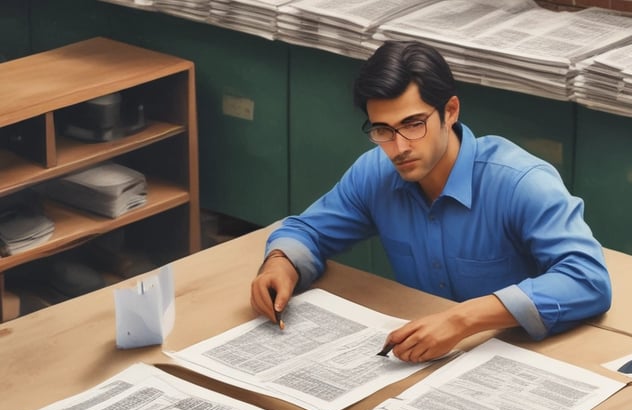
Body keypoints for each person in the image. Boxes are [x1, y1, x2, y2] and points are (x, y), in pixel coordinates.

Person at [250, 40, 611, 363]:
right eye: (383, 130)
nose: (400, 147)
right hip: (424, 362)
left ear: (450, 111)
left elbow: (587, 279)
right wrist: (280, 263)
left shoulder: (521, 182)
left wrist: (462, 319)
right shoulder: (375, 173)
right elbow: (307, 230)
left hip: (524, 358)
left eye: (413, 124)